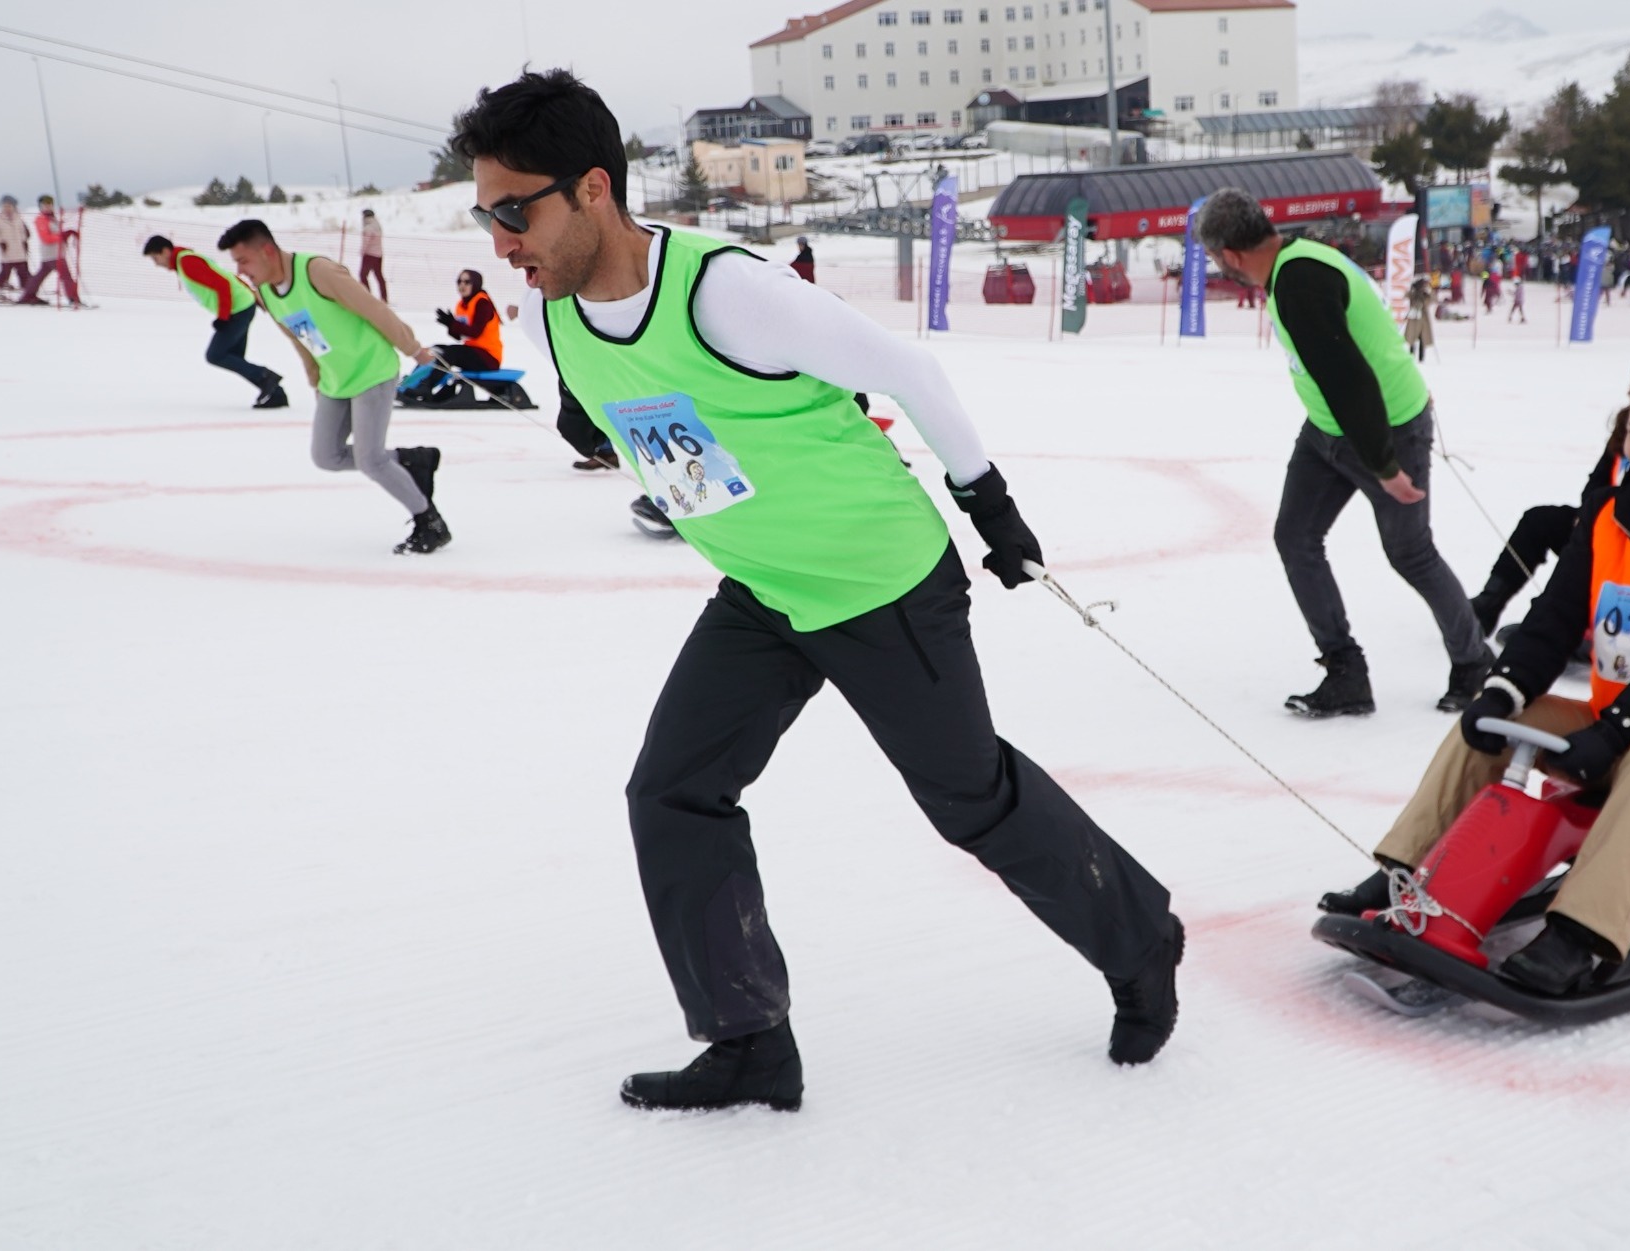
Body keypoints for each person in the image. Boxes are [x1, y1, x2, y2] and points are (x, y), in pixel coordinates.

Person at [453, 70, 1181, 1112]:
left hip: (879, 581)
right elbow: (654, 422)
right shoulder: (550, 319)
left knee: (966, 799)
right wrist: (597, 423)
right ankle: (749, 1040)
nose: (498, 240)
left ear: (595, 190)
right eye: (484, 213)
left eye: (513, 210)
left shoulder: (726, 290)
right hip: (763, 588)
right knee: (672, 792)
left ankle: (1141, 936)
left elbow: (910, 374)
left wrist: (988, 502)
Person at [1320, 364, 1630, 994]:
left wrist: (1618, 731)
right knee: (1497, 721)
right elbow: (1552, 621)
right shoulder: (1610, 521)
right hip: (1619, 737)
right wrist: (1502, 688)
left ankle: (1579, 937)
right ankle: (1408, 874)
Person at [1195, 188, 1493, 718]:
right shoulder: (1298, 259)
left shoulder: (1299, 282)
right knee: (1296, 537)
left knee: (1411, 553)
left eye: (1218, 260)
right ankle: (1345, 672)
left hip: (1386, 431)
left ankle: (1475, 666)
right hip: (1327, 431)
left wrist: (1386, 467)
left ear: (1231, 256)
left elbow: (1351, 380)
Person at [218, 218, 449, 552]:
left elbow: (373, 309)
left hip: (372, 370)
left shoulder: (317, 272)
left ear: (266, 251)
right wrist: (316, 381)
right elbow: (302, 340)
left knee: (372, 460)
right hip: (335, 382)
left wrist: (412, 348)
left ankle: (430, 522)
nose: (241, 271)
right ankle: (412, 460)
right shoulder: (268, 294)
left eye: (243, 261)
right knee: (326, 455)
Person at [1466, 351, 1630, 637]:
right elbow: (1596, 484)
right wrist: (1591, 516)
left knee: (1585, 546)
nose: (1629, 391)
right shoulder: (1629, 428)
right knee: (1540, 522)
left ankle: (1566, 628)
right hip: (1612, 526)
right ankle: (1485, 609)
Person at [142, 234, 286, 409]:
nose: (156, 263)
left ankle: (267, 378)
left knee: (216, 355)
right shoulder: (185, 260)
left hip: (237, 309)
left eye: (155, 258)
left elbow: (222, 284)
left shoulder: (187, 262)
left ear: (165, 251)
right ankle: (276, 393)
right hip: (241, 306)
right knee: (233, 356)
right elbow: (226, 277)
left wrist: (224, 316)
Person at [412, 269, 532, 408]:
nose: (462, 285)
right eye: (459, 281)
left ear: (475, 284)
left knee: (451, 353)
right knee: (438, 349)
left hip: (488, 357)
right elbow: (460, 335)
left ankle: (426, 386)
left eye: (467, 282)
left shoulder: (482, 303)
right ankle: (417, 381)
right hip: (473, 352)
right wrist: (449, 324)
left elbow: (475, 332)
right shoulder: (461, 305)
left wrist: (453, 324)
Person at [17, 195, 80, 308]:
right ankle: (73, 298)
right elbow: (45, 238)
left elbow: (57, 234)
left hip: (55, 253)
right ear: (40, 207)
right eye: (45, 205)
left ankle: (28, 295)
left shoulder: (53, 218)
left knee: (40, 276)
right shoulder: (41, 219)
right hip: (52, 254)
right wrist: (61, 236)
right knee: (66, 276)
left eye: (50, 205)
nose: (48, 207)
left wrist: (67, 233)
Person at [0, 196, 31, 297]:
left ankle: (25, 289)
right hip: (7, 250)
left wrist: (24, 241)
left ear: (14, 207)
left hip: (19, 250)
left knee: (23, 272)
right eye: (4, 206)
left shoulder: (18, 217)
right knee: (5, 272)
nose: (7, 208)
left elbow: (22, 232)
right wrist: (0, 242)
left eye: (9, 206)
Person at [1403, 276, 1436, 362]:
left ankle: (1421, 358)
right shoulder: (1413, 294)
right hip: (1414, 319)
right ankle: (1411, 356)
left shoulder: (1425, 295)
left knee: (1422, 339)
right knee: (1412, 338)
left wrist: (1430, 291)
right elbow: (1406, 295)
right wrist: (1412, 290)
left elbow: (1432, 300)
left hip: (1423, 319)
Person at [358, 208, 388, 301]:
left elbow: (366, 242)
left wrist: (362, 252)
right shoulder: (378, 225)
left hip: (369, 255)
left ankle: (367, 297)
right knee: (379, 276)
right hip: (379, 254)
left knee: (363, 275)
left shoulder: (368, 228)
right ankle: (384, 297)